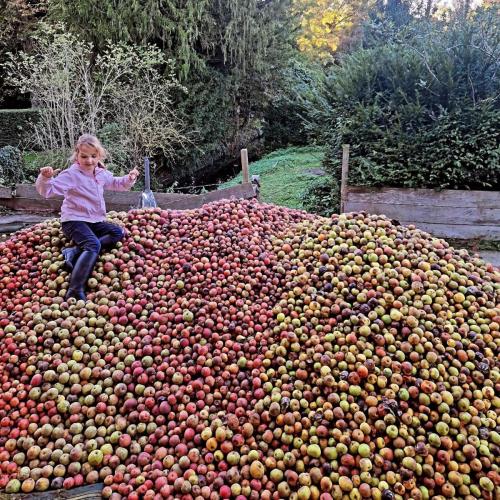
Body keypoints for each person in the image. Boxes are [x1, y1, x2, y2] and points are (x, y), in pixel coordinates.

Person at [36, 134, 139, 301]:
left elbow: (117, 183)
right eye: (84, 156)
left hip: (94, 221)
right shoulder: (71, 174)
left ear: (99, 156)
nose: (89, 160)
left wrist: (130, 178)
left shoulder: (100, 173)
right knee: (92, 244)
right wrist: (46, 178)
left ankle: (74, 251)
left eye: (93, 156)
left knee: (118, 232)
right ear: (77, 155)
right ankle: (75, 290)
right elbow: (47, 191)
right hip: (73, 221)